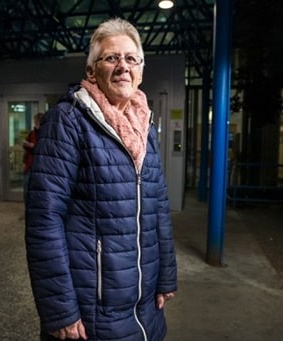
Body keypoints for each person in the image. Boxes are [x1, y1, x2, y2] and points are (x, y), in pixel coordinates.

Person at [24, 18, 177, 341]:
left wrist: (166, 276)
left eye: (131, 58)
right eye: (111, 58)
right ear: (92, 71)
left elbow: (158, 206)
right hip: (93, 305)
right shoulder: (68, 121)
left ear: (141, 71)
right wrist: (59, 311)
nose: (123, 66)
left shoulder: (145, 126)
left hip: (144, 300)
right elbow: (44, 218)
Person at [22, 112, 43, 200]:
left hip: (41, 167)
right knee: (27, 190)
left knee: (39, 192)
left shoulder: (47, 133)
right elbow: (26, 146)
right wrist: (27, 145)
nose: (36, 123)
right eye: (35, 121)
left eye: (37, 121)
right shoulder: (32, 133)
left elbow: (45, 149)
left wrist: (34, 146)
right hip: (30, 165)